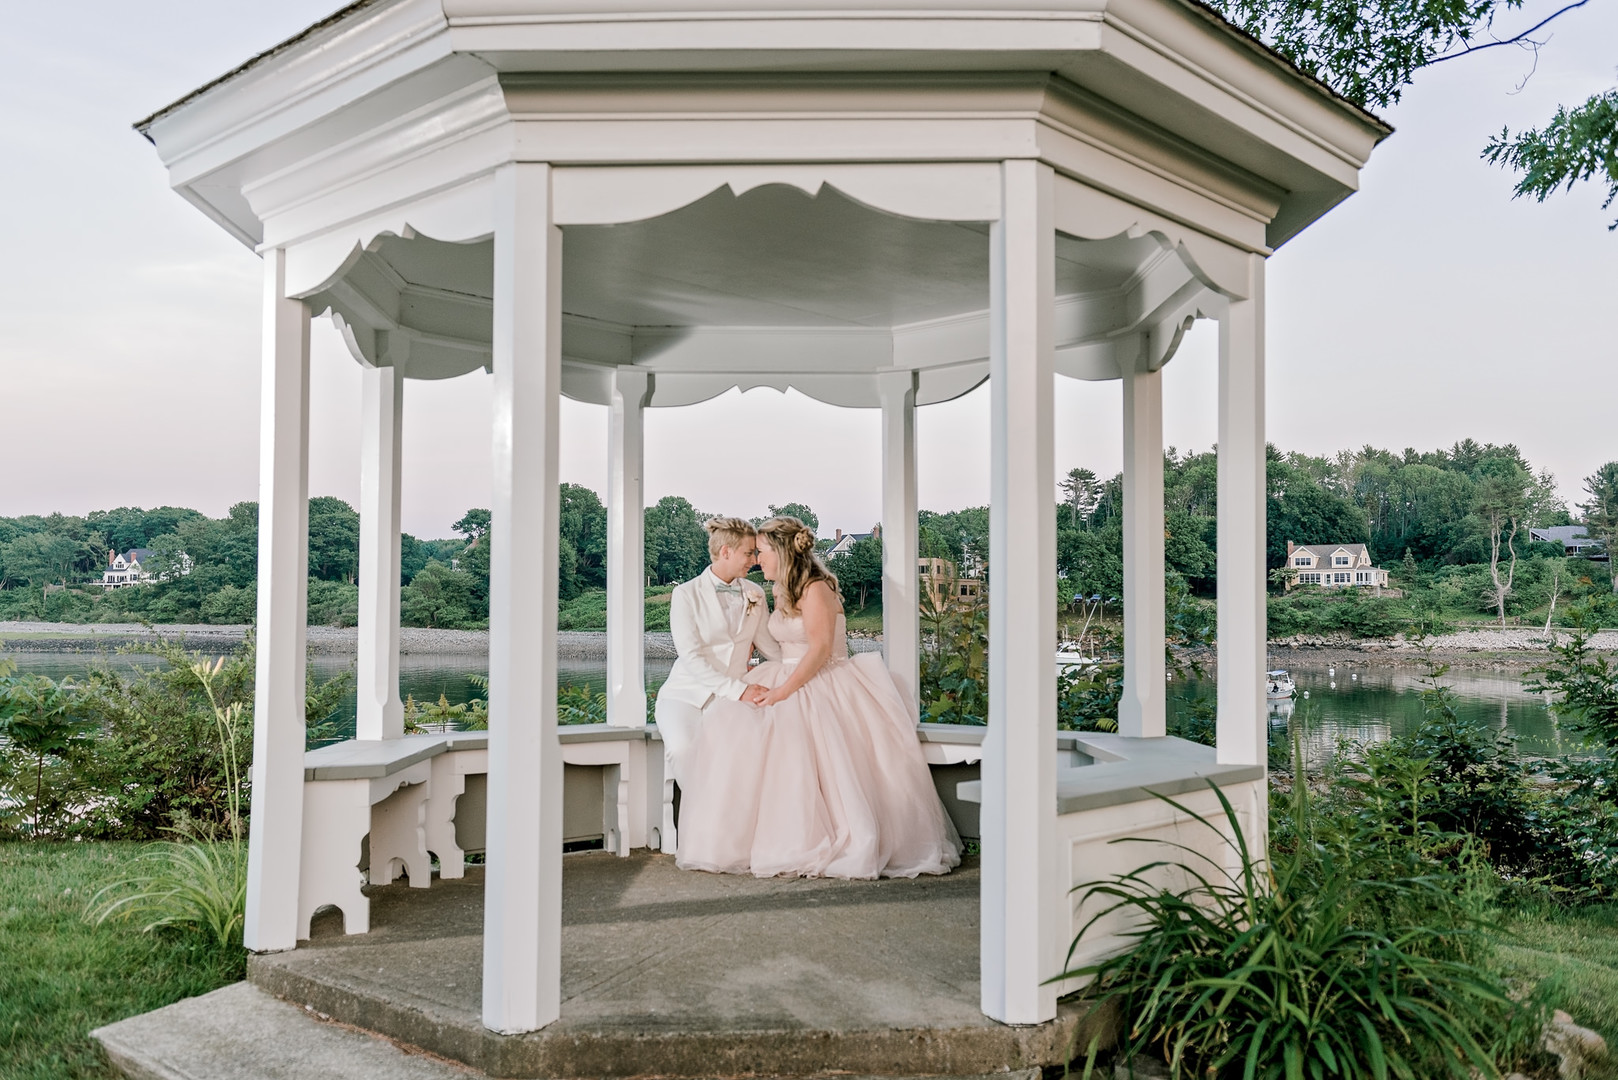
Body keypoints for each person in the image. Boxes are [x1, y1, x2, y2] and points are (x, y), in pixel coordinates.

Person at [676, 515, 961, 879]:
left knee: (820, 760)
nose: (758, 560)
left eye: (762, 551)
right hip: (787, 674)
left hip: (823, 681)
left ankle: (828, 839)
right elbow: (777, 646)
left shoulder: (816, 589)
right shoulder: (779, 591)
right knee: (745, 737)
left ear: (781, 551)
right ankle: (758, 840)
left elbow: (820, 649)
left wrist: (782, 692)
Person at [654, 517, 781, 814]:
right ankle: (707, 821)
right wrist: (740, 690)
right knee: (682, 749)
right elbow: (690, 657)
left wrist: (804, 665)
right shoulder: (685, 594)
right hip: (684, 696)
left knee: (746, 755)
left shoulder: (755, 593)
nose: (755, 560)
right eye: (748, 553)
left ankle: (734, 824)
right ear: (725, 552)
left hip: (731, 703)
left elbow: (769, 646)